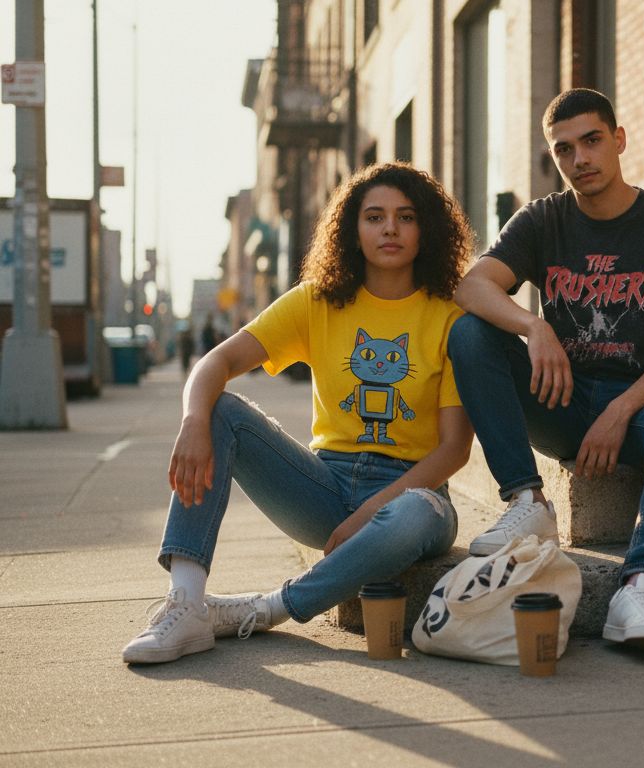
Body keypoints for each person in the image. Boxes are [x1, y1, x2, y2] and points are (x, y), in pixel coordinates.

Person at [122, 162, 475, 664]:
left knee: (415, 511)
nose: (390, 228)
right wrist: (194, 422)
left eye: (406, 216)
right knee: (220, 408)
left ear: (427, 230)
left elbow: (454, 449)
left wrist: (373, 513)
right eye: (374, 217)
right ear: (353, 230)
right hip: (325, 487)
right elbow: (217, 362)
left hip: (414, 494)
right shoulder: (318, 302)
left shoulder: (450, 318)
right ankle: (186, 604)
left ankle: (270, 607)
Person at [448, 89, 644, 656]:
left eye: (592, 141)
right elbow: (471, 285)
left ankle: (641, 587)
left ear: (619, 140)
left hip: (641, 403)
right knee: (469, 333)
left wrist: (621, 409)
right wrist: (534, 327)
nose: (580, 159)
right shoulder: (543, 220)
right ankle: (526, 502)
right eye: (564, 149)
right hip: (559, 398)